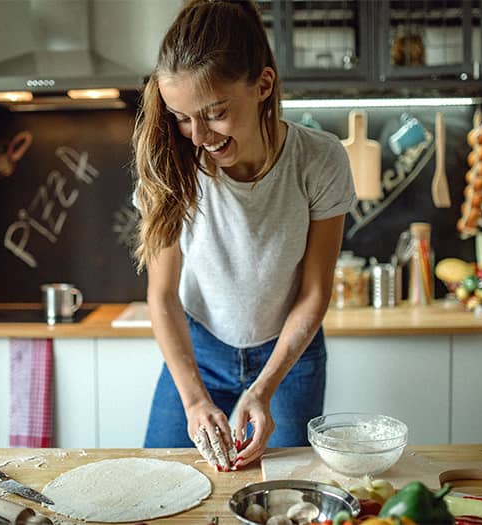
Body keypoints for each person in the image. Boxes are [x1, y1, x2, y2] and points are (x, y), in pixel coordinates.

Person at [131, 0, 356, 471]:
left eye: (214, 113)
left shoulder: (320, 159)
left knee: (285, 493)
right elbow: (163, 295)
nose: (197, 136)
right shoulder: (174, 162)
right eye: (181, 116)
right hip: (198, 351)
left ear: (263, 85)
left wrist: (264, 387)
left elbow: (315, 290)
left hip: (290, 358)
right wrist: (194, 401)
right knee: (164, 481)